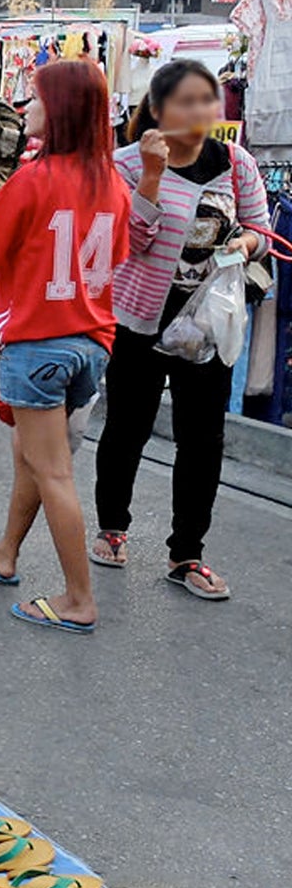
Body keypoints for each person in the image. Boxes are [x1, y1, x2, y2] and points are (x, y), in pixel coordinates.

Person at [0, 60, 129, 632]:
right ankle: (4, 552)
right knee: (33, 461)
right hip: (91, 343)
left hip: (39, 345)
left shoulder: (32, 180)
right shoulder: (113, 182)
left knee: (52, 471)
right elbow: (115, 258)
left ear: (58, 112)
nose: (26, 109)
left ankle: (78, 600)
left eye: (35, 100)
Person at [95, 59, 269, 603]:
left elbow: (262, 230)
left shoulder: (235, 163)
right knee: (127, 426)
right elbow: (133, 243)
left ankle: (186, 552)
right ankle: (112, 527)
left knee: (203, 439)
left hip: (208, 325)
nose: (199, 112)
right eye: (185, 102)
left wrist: (245, 244)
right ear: (157, 109)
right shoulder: (125, 165)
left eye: (206, 101)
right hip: (141, 318)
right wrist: (151, 174)